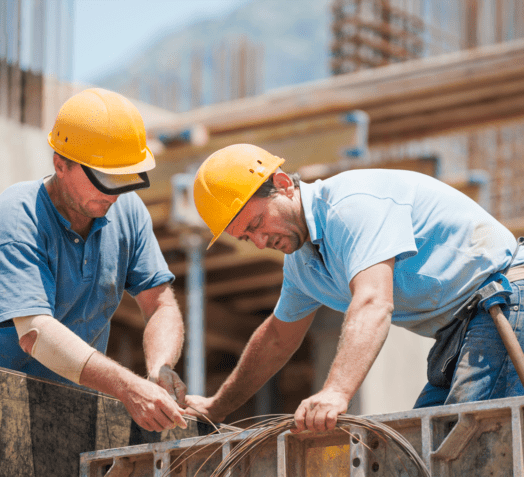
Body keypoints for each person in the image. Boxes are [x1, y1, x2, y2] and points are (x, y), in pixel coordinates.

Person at [184, 143, 524, 433]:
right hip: (461, 328)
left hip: (504, 296)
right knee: (424, 447)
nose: (259, 242)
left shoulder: (349, 206)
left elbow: (374, 301)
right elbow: (277, 338)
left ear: (284, 183)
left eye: (257, 224)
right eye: (246, 237)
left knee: (467, 444)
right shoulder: (303, 265)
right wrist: (217, 407)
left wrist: (335, 391)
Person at [0, 88, 187, 433]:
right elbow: (36, 333)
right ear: (60, 164)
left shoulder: (128, 212)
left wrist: (160, 369)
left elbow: (160, 304)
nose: (113, 192)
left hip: (72, 416)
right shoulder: (18, 215)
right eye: (104, 178)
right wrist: (127, 387)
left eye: (124, 178)